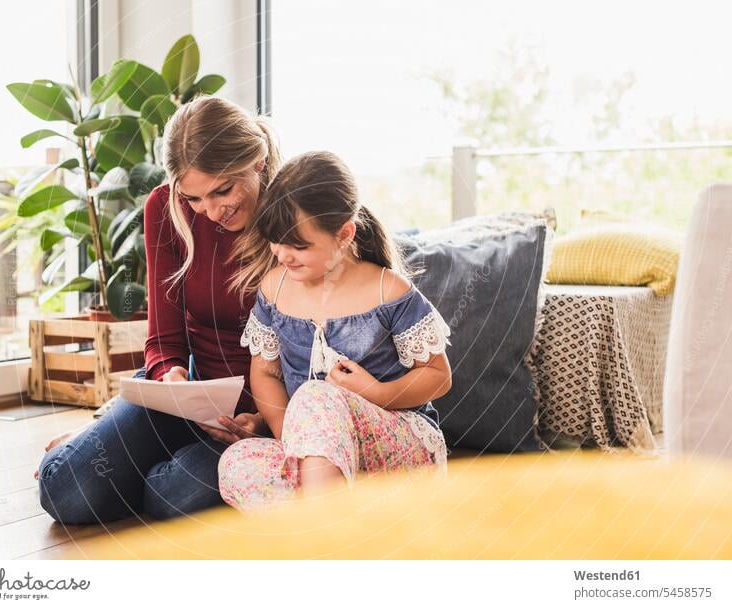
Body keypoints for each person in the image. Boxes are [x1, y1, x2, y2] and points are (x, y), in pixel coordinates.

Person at [35, 96, 282, 523]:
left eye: (222, 190)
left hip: (268, 417)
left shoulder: (293, 212)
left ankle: (117, 442)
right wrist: (171, 375)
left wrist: (266, 419)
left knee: (173, 495)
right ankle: (106, 437)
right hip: (189, 398)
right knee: (66, 491)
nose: (211, 210)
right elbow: (164, 339)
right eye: (195, 197)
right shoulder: (168, 208)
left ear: (256, 161)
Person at [217, 151, 452, 511]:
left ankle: (323, 537)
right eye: (275, 242)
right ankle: (339, 514)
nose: (282, 255)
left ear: (344, 234)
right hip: (317, 451)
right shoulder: (274, 290)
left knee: (316, 395)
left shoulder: (388, 291)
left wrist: (377, 391)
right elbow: (263, 371)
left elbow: (438, 376)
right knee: (236, 462)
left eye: (299, 245)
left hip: (399, 442)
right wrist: (287, 435)